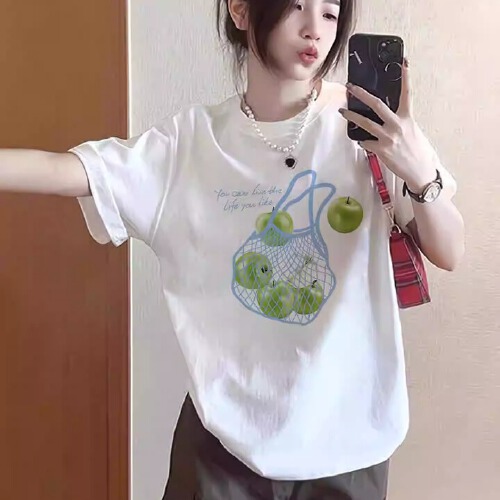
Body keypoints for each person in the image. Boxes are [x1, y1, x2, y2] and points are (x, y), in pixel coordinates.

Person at [0, 0, 465, 498]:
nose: (314, 29)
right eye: (296, 5)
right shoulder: (189, 144)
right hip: (224, 449)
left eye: (330, 13)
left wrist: (420, 172)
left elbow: (449, 250)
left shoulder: (369, 127)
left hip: (350, 447)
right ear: (241, 10)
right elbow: (67, 171)